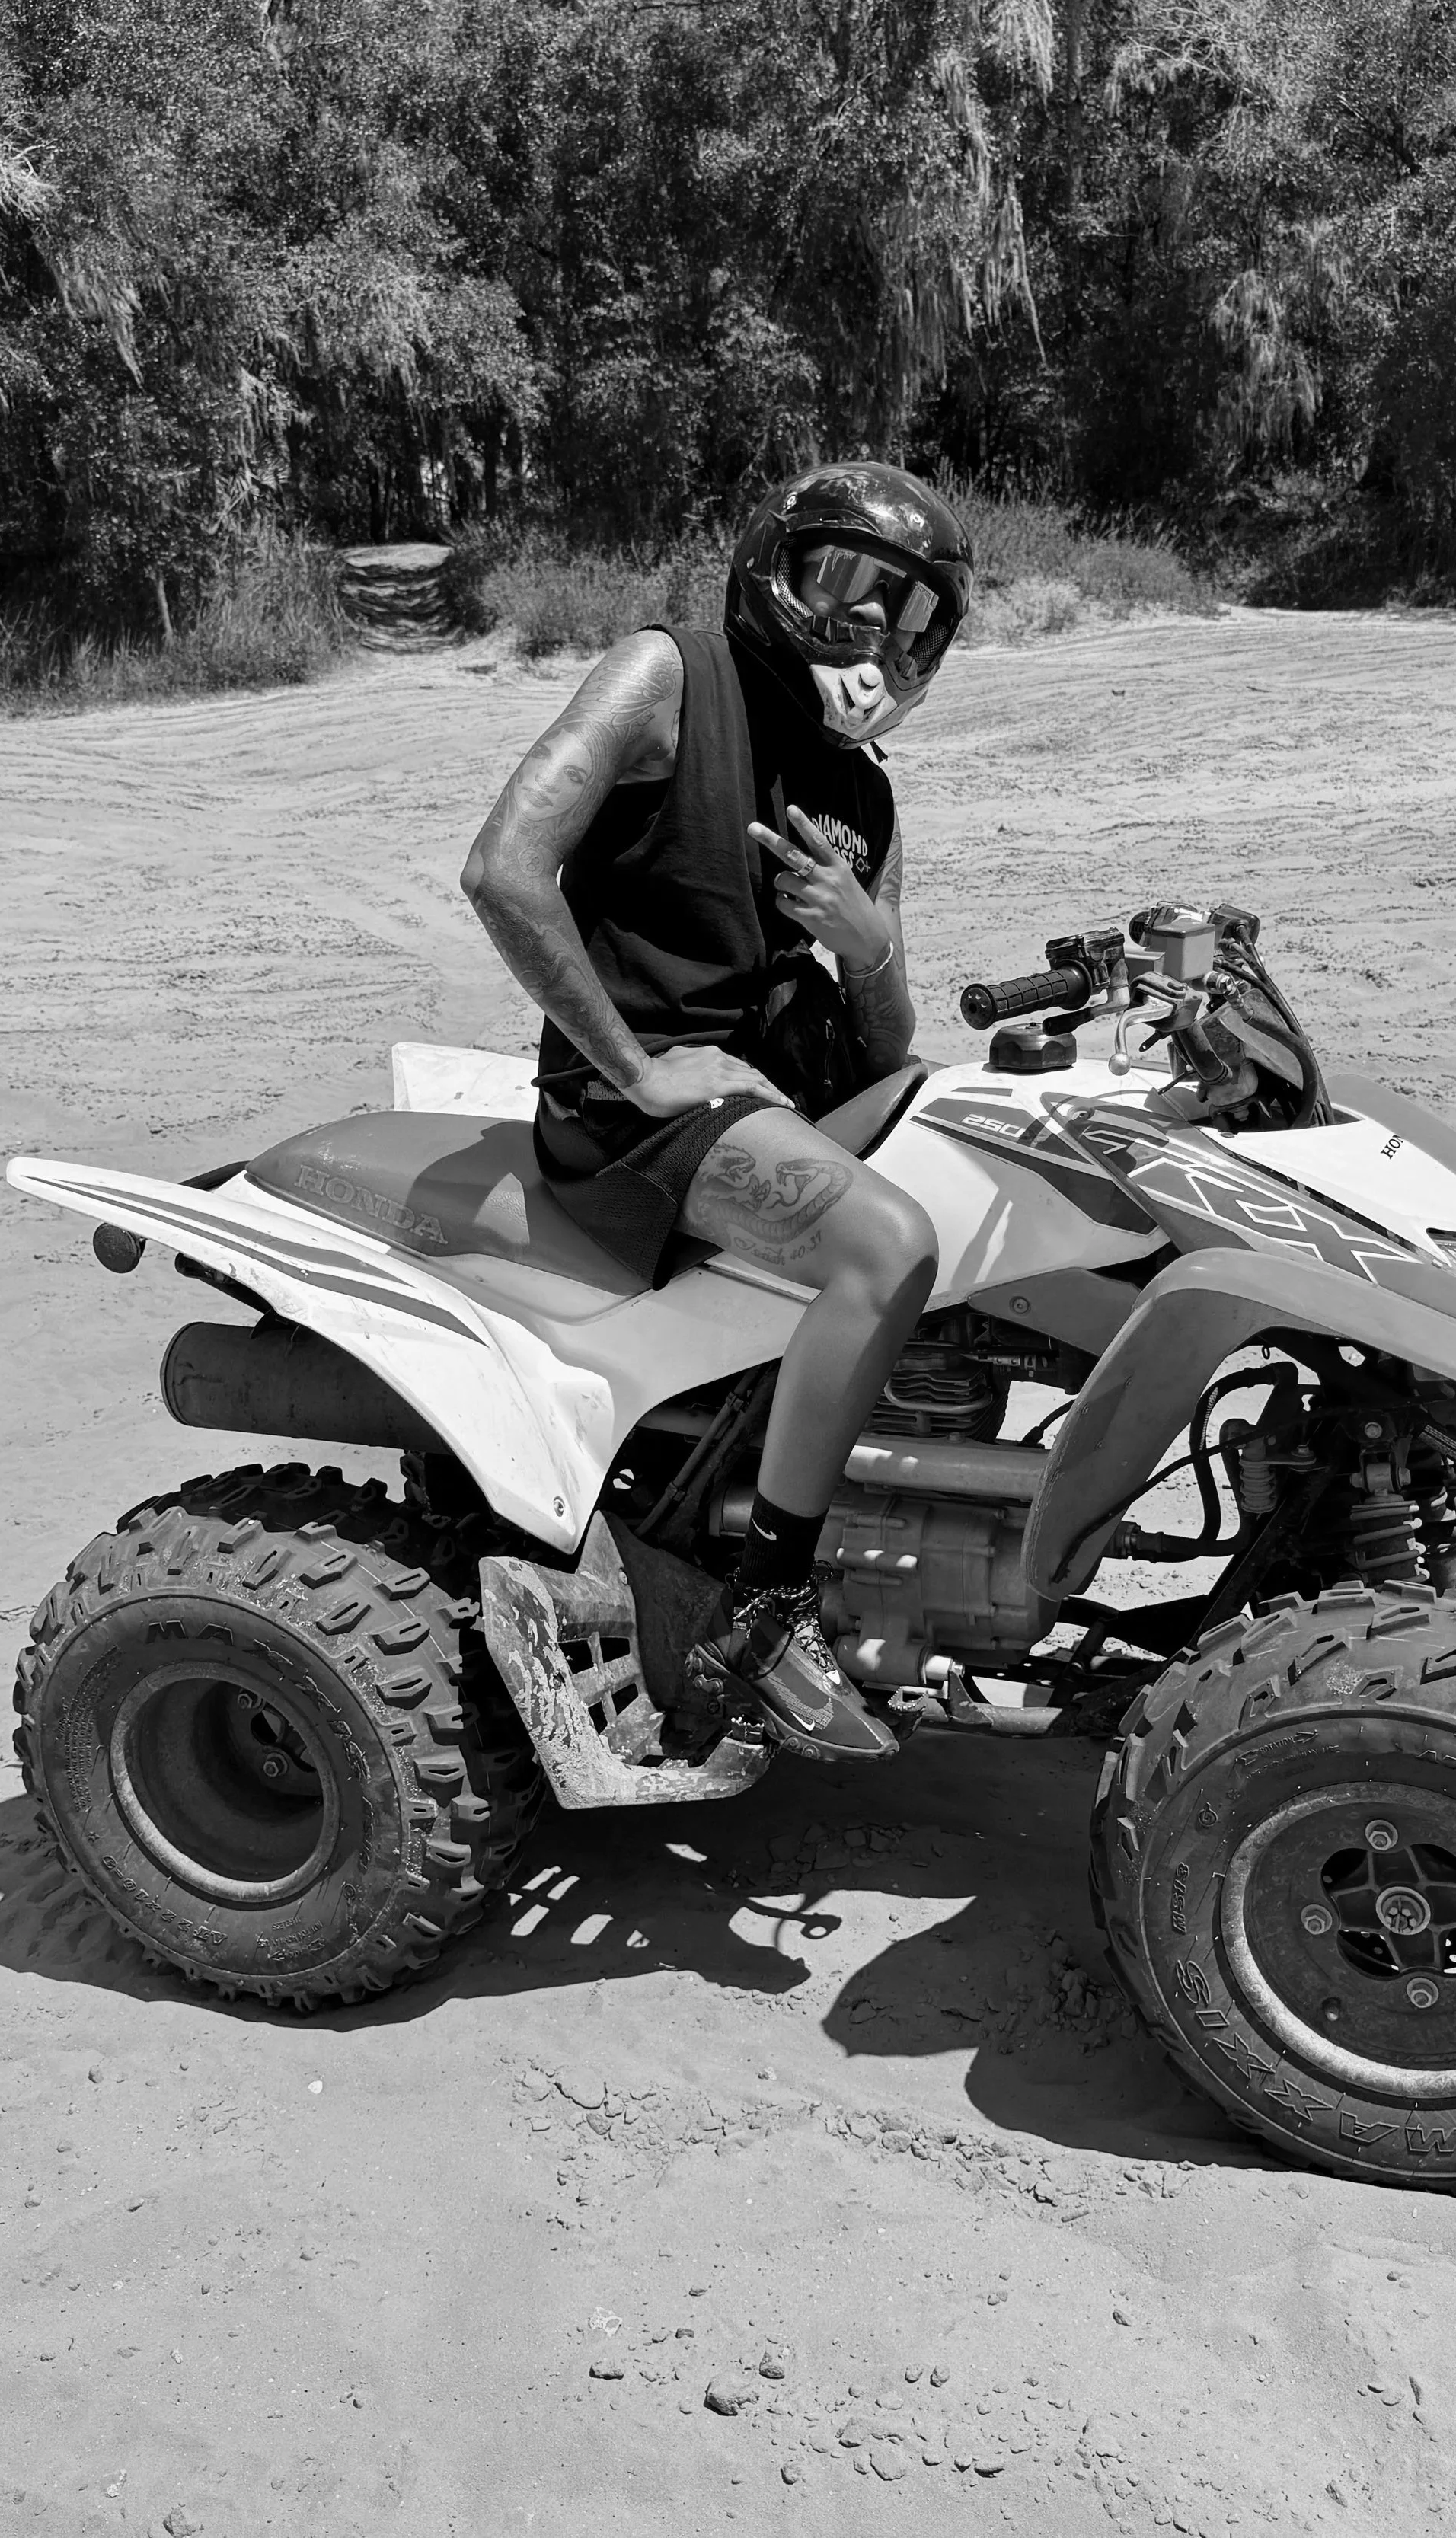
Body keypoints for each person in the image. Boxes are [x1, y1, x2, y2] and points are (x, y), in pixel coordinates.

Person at [461, 461, 974, 1764]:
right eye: (853, 597)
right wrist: (635, 1066)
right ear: (778, 570)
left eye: (915, 625)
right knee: (888, 1245)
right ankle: (767, 1601)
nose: (879, 645)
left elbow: (886, 1040)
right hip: (634, 1112)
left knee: (991, 1146)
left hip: (768, 1096)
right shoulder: (669, 676)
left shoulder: (864, 792)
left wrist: (867, 946)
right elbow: (504, 871)